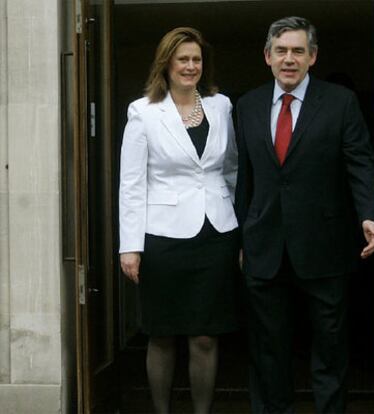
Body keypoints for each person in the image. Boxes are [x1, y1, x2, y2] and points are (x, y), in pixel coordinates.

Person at [235, 16, 374, 414]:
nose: (289, 59)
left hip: (325, 246)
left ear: (312, 57)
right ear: (267, 56)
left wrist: (369, 214)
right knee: (269, 350)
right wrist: (241, 239)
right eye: (281, 51)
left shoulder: (340, 102)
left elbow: (360, 164)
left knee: (330, 347)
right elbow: (242, 179)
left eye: (298, 51)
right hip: (265, 247)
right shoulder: (246, 106)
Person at [118, 27, 239, 414]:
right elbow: (132, 184)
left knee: (205, 337)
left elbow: (231, 168)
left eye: (196, 59)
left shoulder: (221, 106)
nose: (190, 66)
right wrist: (130, 246)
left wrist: (234, 221)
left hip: (215, 234)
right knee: (163, 334)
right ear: (166, 64)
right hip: (164, 239)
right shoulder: (144, 112)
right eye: (183, 59)